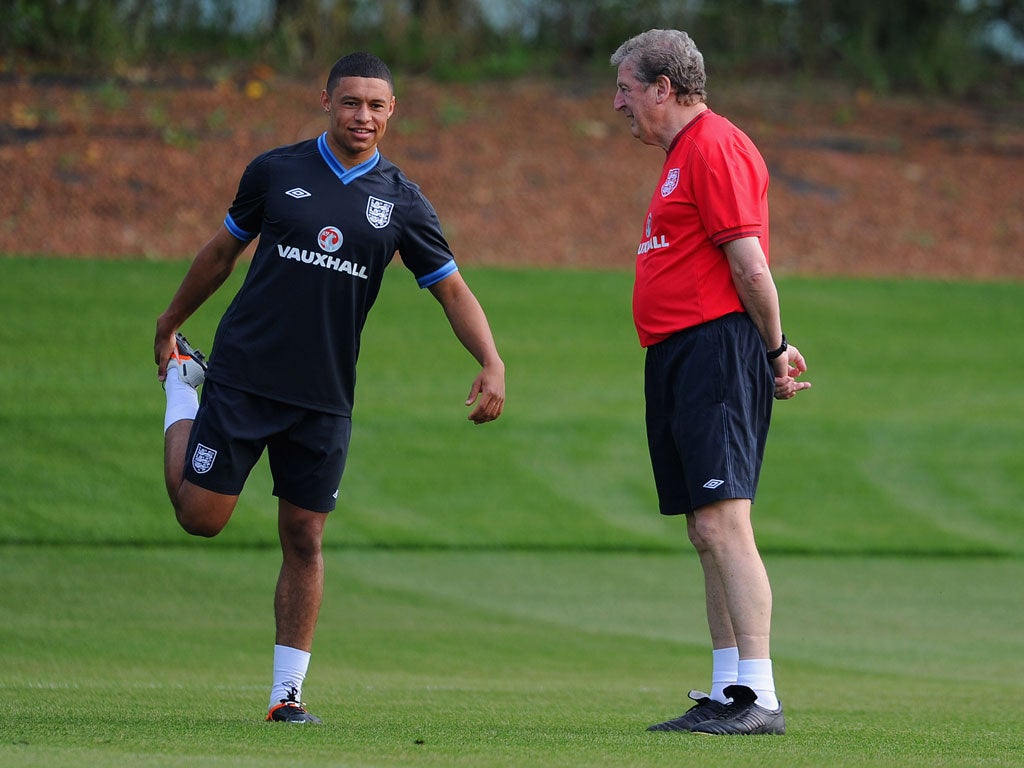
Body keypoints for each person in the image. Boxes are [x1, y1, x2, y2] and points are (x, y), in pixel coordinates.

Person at [154, 52, 506, 724]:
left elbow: (451, 289)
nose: (363, 117)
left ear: (392, 111)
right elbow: (222, 252)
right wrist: (172, 321)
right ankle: (182, 389)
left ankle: (287, 695)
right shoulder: (275, 171)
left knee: (306, 537)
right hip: (245, 376)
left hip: (323, 397)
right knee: (200, 519)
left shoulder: (403, 201)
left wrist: (492, 360)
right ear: (326, 101)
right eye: (351, 103)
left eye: (376, 105)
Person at [610, 29, 810, 736]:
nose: (618, 104)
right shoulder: (681, 154)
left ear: (663, 87)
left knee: (725, 520)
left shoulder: (716, 145)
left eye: (627, 89)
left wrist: (774, 348)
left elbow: (750, 265)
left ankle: (760, 696)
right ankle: (728, 689)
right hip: (679, 353)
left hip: (713, 350)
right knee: (704, 526)